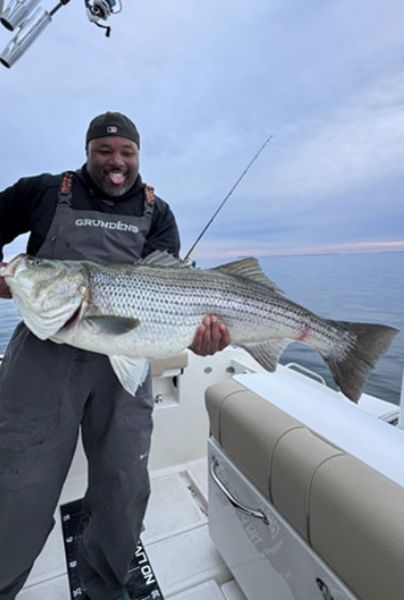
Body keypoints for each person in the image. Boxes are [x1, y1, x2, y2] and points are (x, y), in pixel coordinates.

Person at [0, 112, 231, 600]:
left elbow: (168, 295)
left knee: (124, 484)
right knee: (18, 485)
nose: (116, 162)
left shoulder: (158, 213)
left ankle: (105, 583)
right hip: (45, 357)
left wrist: (195, 335)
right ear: (87, 151)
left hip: (125, 357)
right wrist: (13, 282)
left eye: (126, 151)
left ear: (138, 154)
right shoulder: (43, 192)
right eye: (104, 151)